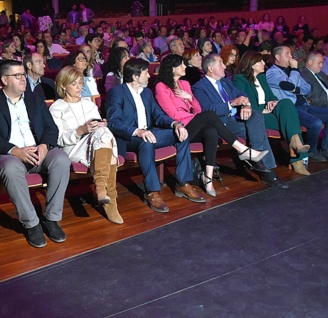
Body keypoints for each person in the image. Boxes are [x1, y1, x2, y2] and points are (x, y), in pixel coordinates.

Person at [0, 60, 71, 248]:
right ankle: (32, 223)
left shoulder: (35, 99)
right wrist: (15, 150)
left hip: (38, 150)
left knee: (61, 159)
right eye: (18, 75)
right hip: (10, 154)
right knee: (10, 168)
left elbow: (51, 128)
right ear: (4, 79)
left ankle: (51, 219)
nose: (23, 78)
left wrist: (45, 144)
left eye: (23, 74)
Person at [155, 55, 269, 196]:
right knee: (209, 115)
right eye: (181, 65)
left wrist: (189, 98)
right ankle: (243, 150)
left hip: (194, 123)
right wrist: (196, 117)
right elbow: (173, 115)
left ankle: (207, 177)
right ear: (172, 68)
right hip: (179, 128)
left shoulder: (184, 84)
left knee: (211, 130)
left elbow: (198, 109)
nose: (185, 67)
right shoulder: (161, 87)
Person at [107, 59, 204, 212]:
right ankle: (152, 192)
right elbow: (113, 123)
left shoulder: (146, 93)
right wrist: (138, 131)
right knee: (146, 142)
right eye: (145, 73)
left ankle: (183, 183)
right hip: (130, 137)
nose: (149, 76)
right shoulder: (117, 93)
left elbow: (158, 115)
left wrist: (176, 124)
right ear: (135, 76)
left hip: (149, 132)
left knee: (181, 134)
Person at [192, 54, 288, 189]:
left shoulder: (226, 82)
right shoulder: (199, 87)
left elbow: (242, 95)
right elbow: (207, 110)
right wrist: (232, 103)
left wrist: (247, 105)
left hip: (236, 117)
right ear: (210, 68)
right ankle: (269, 174)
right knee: (256, 132)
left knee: (257, 115)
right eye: (220, 63)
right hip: (221, 123)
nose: (225, 66)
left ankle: (257, 159)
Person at [49, 66, 123, 224]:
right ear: (63, 85)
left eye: (80, 83)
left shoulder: (89, 104)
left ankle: (102, 189)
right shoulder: (56, 108)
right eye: (74, 84)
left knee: (104, 133)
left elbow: (99, 131)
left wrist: (101, 125)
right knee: (105, 141)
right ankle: (109, 200)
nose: (79, 87)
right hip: (73, 146)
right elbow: (58, 139)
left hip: (96, 143)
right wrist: (80, 130)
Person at [233, 52, 311, 175]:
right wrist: (262, 109)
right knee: (290, 121)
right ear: (252, 64)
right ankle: (297, 158)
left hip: (269, 112)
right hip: (255, 116)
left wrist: (273, 102)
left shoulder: (262, 78)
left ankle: (296, 143)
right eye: (261, 62)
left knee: (285, 102)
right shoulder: (240, 79)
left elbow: (271, 96)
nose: (264, 63)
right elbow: (244, 100)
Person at [266, 45, 328, 163]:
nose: (291, 56)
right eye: (287, 53)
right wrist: (295, 70)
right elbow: (289, 85)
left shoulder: (291, 71)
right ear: (277, 56)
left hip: (305, 105)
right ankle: (311, 151)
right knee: (316, 123)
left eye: (290, 53)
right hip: (292, 109)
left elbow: (307, 88)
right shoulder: (272, 73)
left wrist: (295, 88)